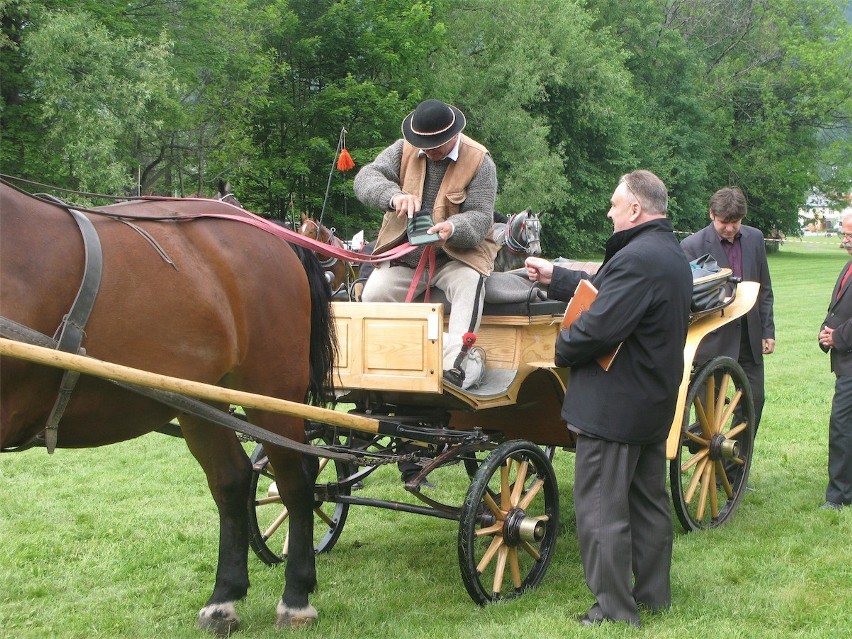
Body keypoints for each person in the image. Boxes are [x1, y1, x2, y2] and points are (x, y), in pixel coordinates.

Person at [525, 170, 692, 627]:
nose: (609, 211)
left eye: (615, 203)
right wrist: (558, 277)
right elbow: (610, 288)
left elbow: (599, 325)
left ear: (635, 209)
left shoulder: (639, 258)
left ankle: (616, 611)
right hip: (650, 401)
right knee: (648, 503)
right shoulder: (668, 252)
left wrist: (560, 347)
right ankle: (654, 595)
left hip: (615, 406)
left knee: (601, 511)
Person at [353, 99, 499, 390]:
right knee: (373, 297)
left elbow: (482, 216)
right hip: (408, 258)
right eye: (423, 144)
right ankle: (408, 358)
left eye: (437, 146)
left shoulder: (480, 161)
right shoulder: (403, 149)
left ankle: (454, 366)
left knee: (471, 284)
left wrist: (453, 227)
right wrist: (392, 196)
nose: (429, 151)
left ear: (453, 136)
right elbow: (365, 178)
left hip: (457, 258)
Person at [680, 187, 776, 440]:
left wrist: (767, 331)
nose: (731, 228)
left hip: (749, 337)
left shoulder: (755, 238)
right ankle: (711, 473)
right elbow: (690, 299)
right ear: (712, 214)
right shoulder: (692, 245)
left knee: (753, 401)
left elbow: (763, 288)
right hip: (713, 339)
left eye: (736, 222)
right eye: (725, 222)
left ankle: (734, 474)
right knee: (707, 418)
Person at [817, 213, 852, 510]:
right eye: (845, 233)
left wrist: (837, 337)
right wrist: (825, 331)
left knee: (842, 425)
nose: (846, 239)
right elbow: (839, 306)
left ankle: (838, 496)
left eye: (851, 234)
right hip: (845, 361)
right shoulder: (848, 265)